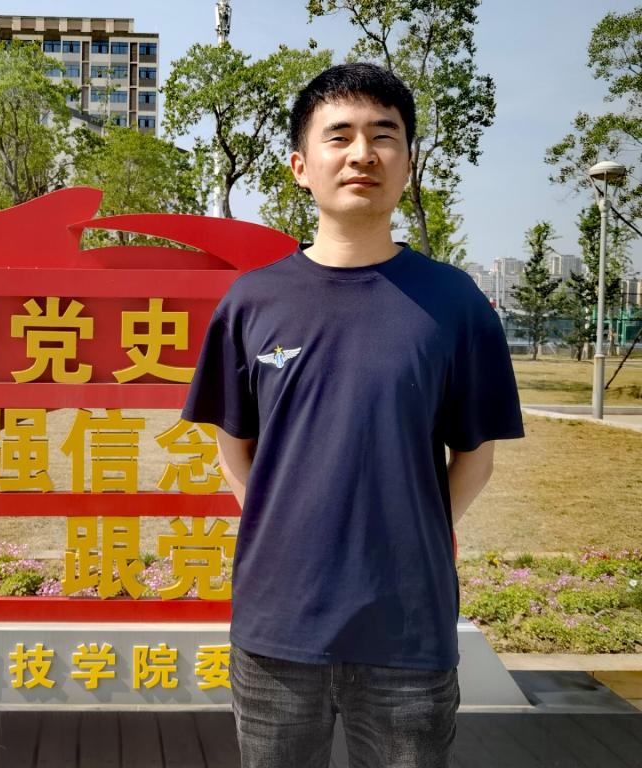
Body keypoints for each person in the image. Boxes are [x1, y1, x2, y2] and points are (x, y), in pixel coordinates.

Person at [180, 62, 525, 768]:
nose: (362, 153)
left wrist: (410, 537)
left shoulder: (454, 304)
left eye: (383, 135)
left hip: (409, 632)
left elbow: (476, 457)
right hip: (277, 631)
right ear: (301, 166)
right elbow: (233, 447)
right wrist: (282, 527)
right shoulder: (252, 302)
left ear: (408, 162)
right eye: (339, 136)